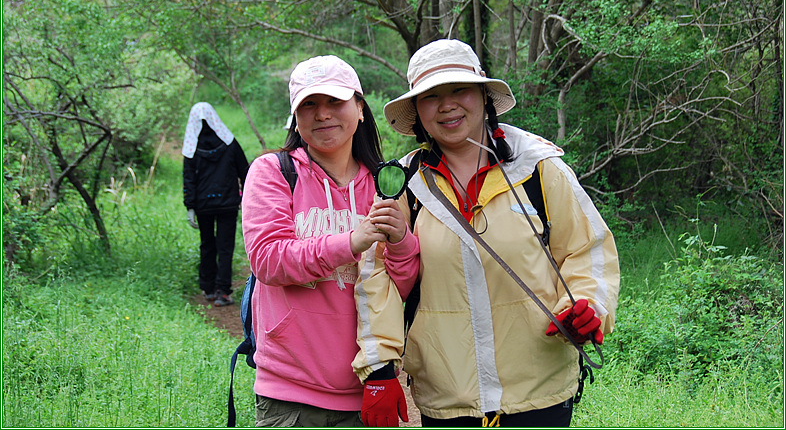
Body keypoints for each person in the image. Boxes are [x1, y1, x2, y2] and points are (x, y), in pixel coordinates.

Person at [382, 39, 620, 427]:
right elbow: (381, 281)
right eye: (431, 96)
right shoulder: (403, 184)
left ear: (483, 96)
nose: (447, 105)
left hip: (538, 391)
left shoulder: (537, 168)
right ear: (417, 112)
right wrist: (380, 369)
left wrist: (586, 307)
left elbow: (587, 250)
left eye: (459, 89)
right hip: (447, 395)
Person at [241, 55, 418, 427]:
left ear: (360, 108)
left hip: (367, 387)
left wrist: (402, 241)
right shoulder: (274, 172)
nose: (322, 114)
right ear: (296, 116)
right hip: (289, 392)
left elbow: (401, 287)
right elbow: (268, 260)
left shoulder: (385, 184)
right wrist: (350, 241)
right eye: (309, 105)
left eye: (334, 101)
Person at [182, 102, 249, 307]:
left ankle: (208, 287)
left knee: (207, 244)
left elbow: (188, 178)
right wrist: (245, 198)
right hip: (228, 203)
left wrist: (190, 206)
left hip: (203, 205)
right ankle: (223, 291)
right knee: (225, 246)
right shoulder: (229, 142)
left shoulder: (191, 147)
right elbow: (245, 171)